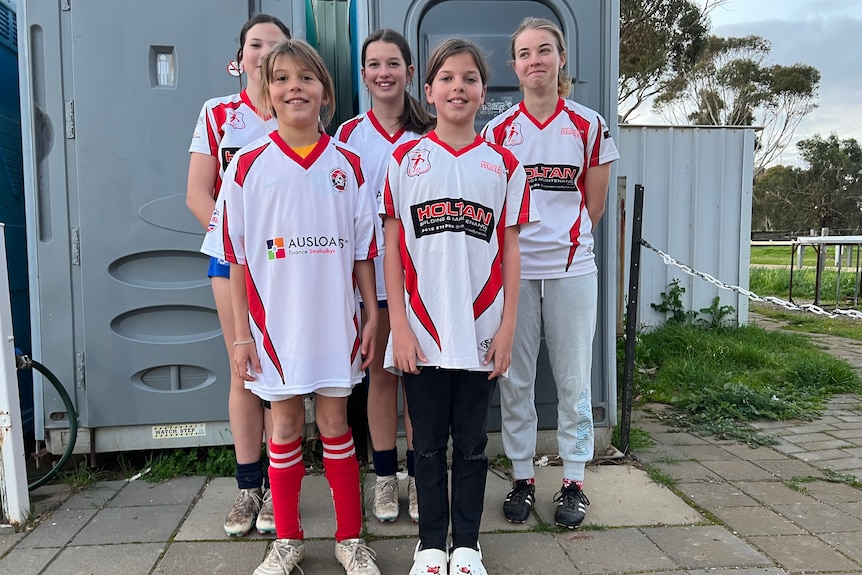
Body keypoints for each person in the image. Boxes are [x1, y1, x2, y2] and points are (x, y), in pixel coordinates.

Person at [201, 39, 381, 575]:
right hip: (274, 324)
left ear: (325, 91)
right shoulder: (247, 166)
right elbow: (235, 258)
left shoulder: (347, 163)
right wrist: (240, 335)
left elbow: (363, 251)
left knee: (334, 423)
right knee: (282, 426)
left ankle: (350, 539)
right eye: (281, 79)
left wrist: (371, 314)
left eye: (306, 78)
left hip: (334, 320)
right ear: (267, 92)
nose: (294, 88)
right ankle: (288, 540)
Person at [382, 38, 537, 575]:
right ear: (427, 91)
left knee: (472, 443)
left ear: (483, 92)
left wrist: (508, 325)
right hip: (421, 329)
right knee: (426, 445)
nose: (458, 87)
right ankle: (429, 546)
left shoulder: (504, 164)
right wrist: (398, 326)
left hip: (482, 326)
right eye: (447, 78)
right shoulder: (405, 158)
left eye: (469, 78)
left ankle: (467, 544)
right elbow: (393, 249)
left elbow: (511, 249)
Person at [481, 16, 620, 529]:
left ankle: (575, 482)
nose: (534, 60)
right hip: (515, 277)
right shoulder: (497, 131)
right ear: (514, 65)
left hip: (570, 272)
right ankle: (521, 478)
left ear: (561, 58)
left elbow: (595, 206)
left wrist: (561, 242)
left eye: (544, 50)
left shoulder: (588, 124)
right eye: (524, 53)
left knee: (572, 382)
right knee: (514, 380)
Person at [186, 14, 291, 537]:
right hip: (231, 261)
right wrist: (234, 239)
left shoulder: (298, 108)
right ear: (241, 54)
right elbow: (197, 194)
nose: (265, 52)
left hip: (289, 261)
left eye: (276, 45)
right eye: (256, 44)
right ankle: (248, 488)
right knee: (243, 369)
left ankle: (278, 486)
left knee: (281, 376)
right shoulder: (218, 112)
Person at [334, 28, 435, 525]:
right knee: (379, 378)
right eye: (373, 64)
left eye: (393, 63)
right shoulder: (348, 135)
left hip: (422, 278)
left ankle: (419, 478)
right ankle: (385, 478)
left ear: (410, 73)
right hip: (371, 278)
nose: (383, 73)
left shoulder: (432, 130)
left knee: (415, 378)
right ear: (364, 74)